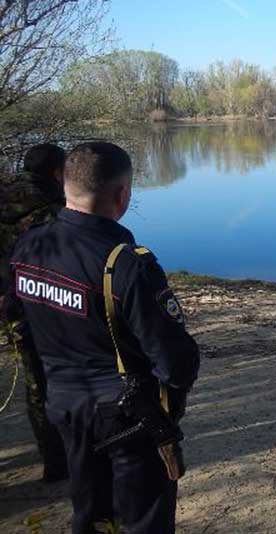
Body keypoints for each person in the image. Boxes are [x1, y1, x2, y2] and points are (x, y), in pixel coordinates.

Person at [3, 142, 200, 533]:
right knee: (143, 520)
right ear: (122, 194)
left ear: (66, 186)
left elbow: (16, 313)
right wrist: (171, 403)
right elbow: (176, 362)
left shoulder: (29, 245)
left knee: (90, 513)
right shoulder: (126, 264)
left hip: (65, 405)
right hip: (127, 417)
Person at [0, 143, 68, 482]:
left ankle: (54, 460)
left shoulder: (4, 194)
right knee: (63, 376)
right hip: (48, 304)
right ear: (57, 172)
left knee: (35, 381)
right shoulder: (53, 209)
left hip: (10, 306)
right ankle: (68, 457)